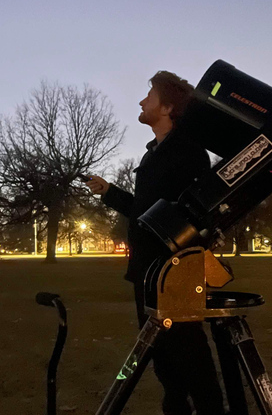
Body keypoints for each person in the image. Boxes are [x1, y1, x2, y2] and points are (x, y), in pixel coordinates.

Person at [85, 71, 224, 415]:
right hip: (147, 271)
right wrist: (109, 193)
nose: (141, 101)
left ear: (167, 107)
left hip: (175, 272)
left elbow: (191, 217)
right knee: (162, 359)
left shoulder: (189, 153)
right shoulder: (154, 153)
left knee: (189, 354)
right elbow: (145, 212)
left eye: (149, 96)